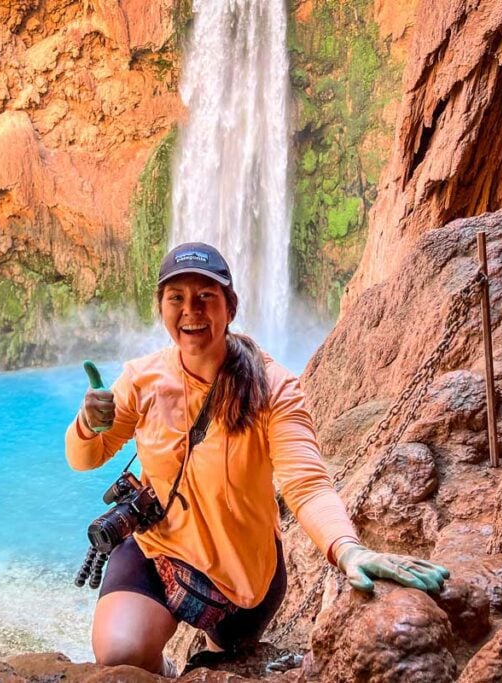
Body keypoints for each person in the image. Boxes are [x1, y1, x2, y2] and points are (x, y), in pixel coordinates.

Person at [65, 242, 449, 676]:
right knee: (121, 656)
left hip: (243, 576)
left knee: (225, 655)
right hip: (160, 550)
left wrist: (347, 549)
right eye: (177, 298)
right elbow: (85, 458)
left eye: (205, 297)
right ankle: (165, 669)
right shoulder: (141, 380)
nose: (191, 310)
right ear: (162, 307)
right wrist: (87, 424)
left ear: (229, 307)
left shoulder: (272, 387)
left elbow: (306, 482)